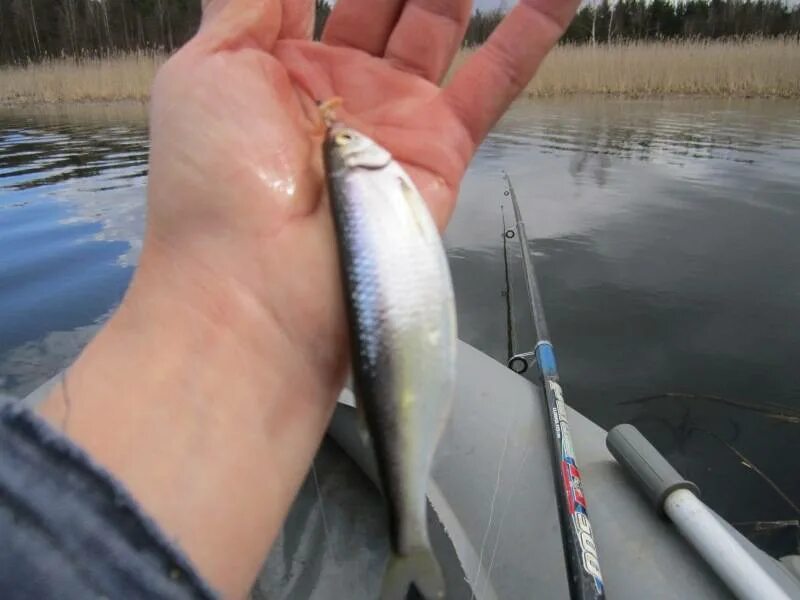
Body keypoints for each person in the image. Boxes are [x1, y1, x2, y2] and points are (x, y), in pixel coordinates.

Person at [0, 0, 579, 597]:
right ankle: (411, 540)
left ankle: (410, 540)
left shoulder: (369, 177)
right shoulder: (372, 175)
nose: (345, 137)